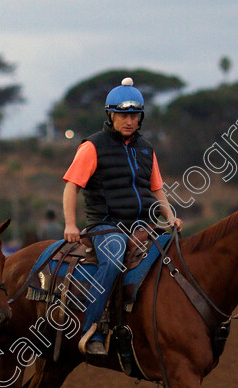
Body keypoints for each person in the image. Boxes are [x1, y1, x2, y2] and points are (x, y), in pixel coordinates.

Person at [62, 77, 183, 358]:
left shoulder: (146, 149)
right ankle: (93, 329)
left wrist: (171, 217)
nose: (129, 121)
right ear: (110, 115)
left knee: (174, 251)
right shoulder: (92, 147)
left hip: (143, 225)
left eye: (134, 115)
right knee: (115, 256)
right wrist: (70, 224)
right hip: (106, 227)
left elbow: (156, 189)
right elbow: (71, 187)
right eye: (123, 115)